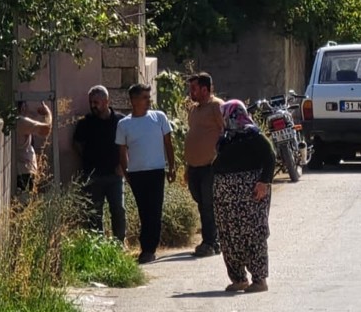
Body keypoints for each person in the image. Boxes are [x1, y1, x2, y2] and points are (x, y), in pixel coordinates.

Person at [212, 100, 276, 293]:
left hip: (250, 196)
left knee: (253, 235)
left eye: (225, 114)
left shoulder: (253, 135)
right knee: (229, 236)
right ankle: (239, 279)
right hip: (226, 197)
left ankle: (259, 280)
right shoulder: (226, 138)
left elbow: (270, 157)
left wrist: (264, 182)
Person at [115, 83, 176, 264]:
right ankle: (146, 247)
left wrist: (172, 166)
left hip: (156, 171)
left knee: (154, 210)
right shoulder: (124, 124)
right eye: (144, 98)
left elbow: (168, 143)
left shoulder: (159, 117)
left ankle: (149, 249)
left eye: (149, 97)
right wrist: (126, 174)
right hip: (137, 173)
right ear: (133, 100)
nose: (148, 101)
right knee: (144, 210)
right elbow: (122, 152)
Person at [73, 85, 126, 242]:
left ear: (106, 101)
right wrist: (87, 159)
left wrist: (123, 165)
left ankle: (119, 244)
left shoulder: (120, 121)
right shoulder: (86, 123)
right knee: (94, 212)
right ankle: (98, 245)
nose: (93, 105)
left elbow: (129, 144)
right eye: (91, 102)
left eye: (96, 102)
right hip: (93, 175)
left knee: (118, 209)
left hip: (115, 175)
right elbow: (77, 143)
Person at [185, 72, 225, 257]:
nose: (190, 92)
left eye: (194, 88)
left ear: (204, 89)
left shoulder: (217, 106)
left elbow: (226, 131)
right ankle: (212, 241)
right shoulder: (194, 110)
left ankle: (210, 242)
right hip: (194, 167)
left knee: (208, 205)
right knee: (201, 204)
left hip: (211, 166)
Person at [15, 101, 52, 194]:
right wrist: (48, 113)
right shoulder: (20, 121)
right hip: (24, 171)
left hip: (21, 170)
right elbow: (46, 129)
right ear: (23, 107)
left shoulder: (15, 121)